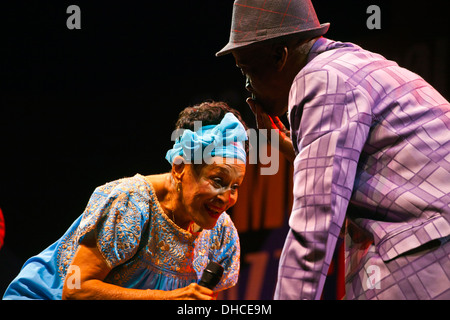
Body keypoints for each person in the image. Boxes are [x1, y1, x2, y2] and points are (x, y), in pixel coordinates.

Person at [216, 0, 450, 300]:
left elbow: (315, 226)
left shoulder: (320, 79)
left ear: (279, 55)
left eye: (248, 70)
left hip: (427, 254)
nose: (248, 86)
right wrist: (292, 151)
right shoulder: (352, 64)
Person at [3, 101, 248, 300]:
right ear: (179, 168)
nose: (227, 197)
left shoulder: (222, 235)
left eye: (235, 186)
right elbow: (76, 289)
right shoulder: (130, 203)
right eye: (217, 180)